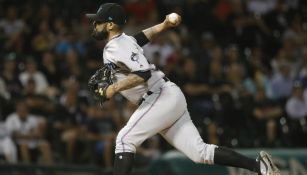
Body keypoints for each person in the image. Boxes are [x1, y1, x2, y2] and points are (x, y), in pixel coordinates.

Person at [86, 3, 280, 175]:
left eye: (98, 21)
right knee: (200, 153)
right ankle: (259, 166)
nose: (94, 25)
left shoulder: (115, 47)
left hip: (159, 97)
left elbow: (143, 73)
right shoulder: (124, 41)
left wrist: (113, 88)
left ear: (110, 25)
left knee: (124, 140)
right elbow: (141, 38)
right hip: (168, 97)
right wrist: (163, 25)